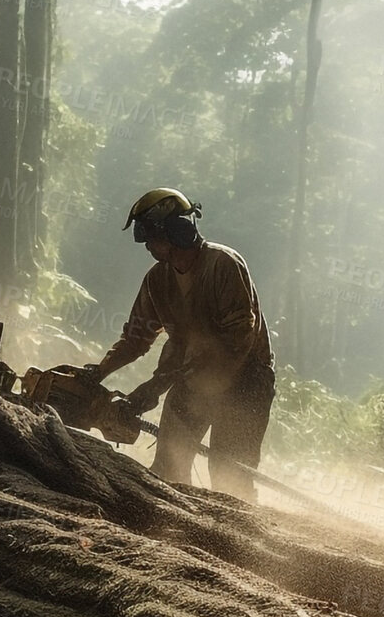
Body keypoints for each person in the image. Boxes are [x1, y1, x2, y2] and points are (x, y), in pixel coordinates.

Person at [83, 188, 276, 501]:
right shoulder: (157, 281)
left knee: (229, 475)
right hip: (191, 380)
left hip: (246, 382)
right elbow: (136, 338)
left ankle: (240, 540)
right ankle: (174, 526)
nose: (146, 246)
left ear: (174, 232)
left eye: (149, 237)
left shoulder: (223, 265)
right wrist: (98, 372)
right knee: (168, 468)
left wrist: (164, 384)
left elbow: (240, 338)